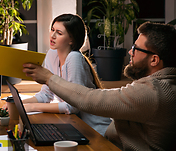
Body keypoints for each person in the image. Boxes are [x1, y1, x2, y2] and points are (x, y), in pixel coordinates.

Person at [23, 21, 176, 151]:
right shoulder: (158, 85)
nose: (130, 51)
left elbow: (90, 99)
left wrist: (49, 78)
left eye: (136, 49)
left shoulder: (156, 92)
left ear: (154, 60)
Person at [22, 14, 111, 136]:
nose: (52, 36)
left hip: (95, 130)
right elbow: (46, 94)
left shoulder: (74, 58)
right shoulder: (52, 55)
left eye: (59, 33)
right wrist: (21, 104)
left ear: (71, 40)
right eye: (52, 30)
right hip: (76, 126)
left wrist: (32, 107)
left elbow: (73, 106)